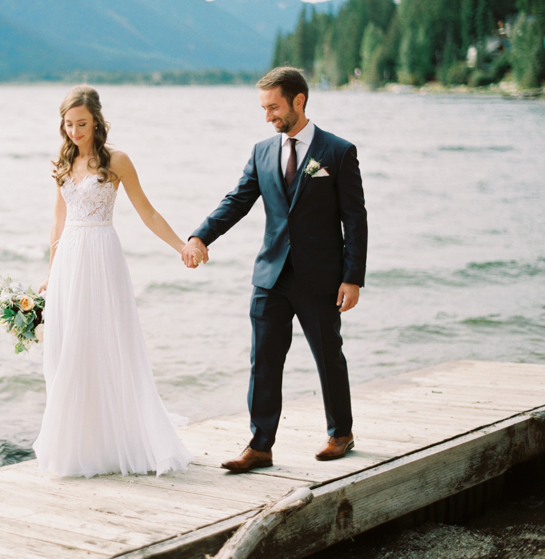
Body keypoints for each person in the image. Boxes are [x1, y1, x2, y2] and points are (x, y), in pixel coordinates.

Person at [181, 66, 367, 472]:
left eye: (273, 107)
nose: (267, 116)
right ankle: (260, 446)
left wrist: (352, 278)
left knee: (327, 356)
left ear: (299, 101)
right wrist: (200, 236)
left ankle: (341, 433)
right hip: (270, 276)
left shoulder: (338, 152)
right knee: (263, 360)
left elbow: (355, 219)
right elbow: (237, 201)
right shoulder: (262, 151)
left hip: (320, 277)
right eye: (264, 108)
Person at [34, 85, 193, 478]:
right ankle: (78, 443)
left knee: (108, 344)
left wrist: (181, 247)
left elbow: (148, 212)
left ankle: (121, 439)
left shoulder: (117, 161)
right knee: (65, 347)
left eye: (82, 124)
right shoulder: (62, 162)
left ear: (97, 122)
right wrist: (50, 274)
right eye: (69, 124)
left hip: (102, 256)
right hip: (70, 257)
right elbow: (58, 221)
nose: (74, 131)